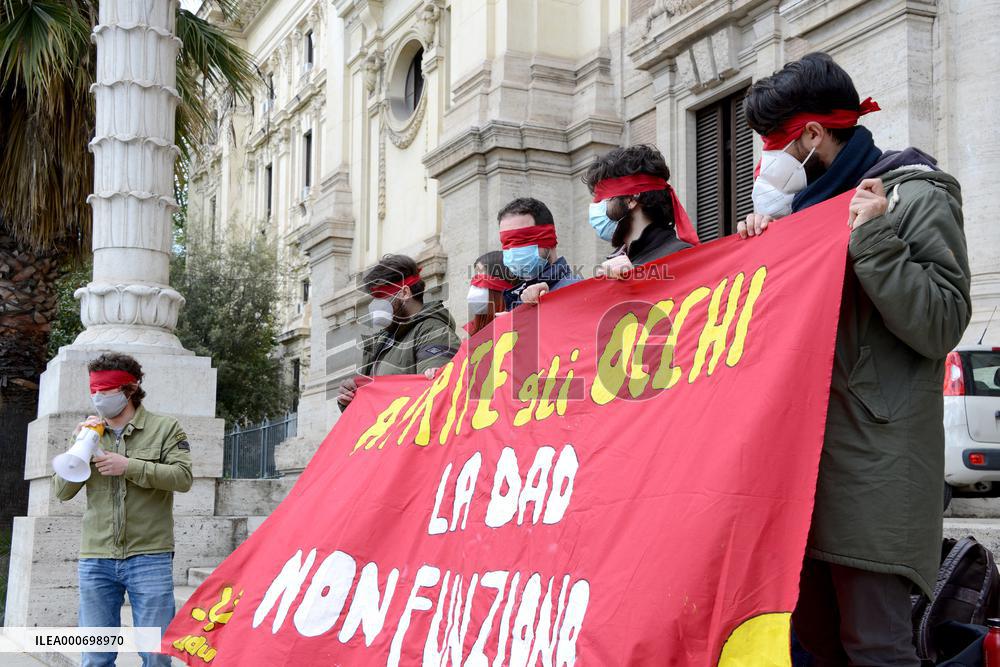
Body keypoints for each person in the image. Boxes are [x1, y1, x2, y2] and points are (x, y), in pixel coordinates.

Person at [740, 52, 971, 665]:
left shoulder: (914, 195)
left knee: (876, 649)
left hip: (874, 469)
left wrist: (873, 238)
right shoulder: (801, 211)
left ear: (813, 134)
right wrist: (757, 257)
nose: (765, 160)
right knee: (813, 645)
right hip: (800, 468)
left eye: (773, 142)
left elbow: (941, 321)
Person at [54, 353, 193, 667]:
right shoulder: (87, 434)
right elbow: (62, 492)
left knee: (156, 656)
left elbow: (183, 478)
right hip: (96, 558)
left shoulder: (165, 428)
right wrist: (81, 447)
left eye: (107, 391)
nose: (98, 398)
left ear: (130, 390)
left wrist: (129, 466)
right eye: (95, 391)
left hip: (150, 556)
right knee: (95, 657)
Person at [337, 254, 460, 408]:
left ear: (404, 293)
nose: (375, 304)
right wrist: (349, 398)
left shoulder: (434, 332)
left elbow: (436, 397)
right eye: (373, 298)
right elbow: (369, 406)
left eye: (381, 295)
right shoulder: (383, 340)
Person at [582, 144, 699, 278]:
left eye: (602, 198)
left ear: (631, 199)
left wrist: (637, 282)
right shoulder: (615, 264)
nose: (595, 206)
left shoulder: (682, 258)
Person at [498, 197, 577, 306]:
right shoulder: (518, 296)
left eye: (523, 240)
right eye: (506, 242)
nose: (513, 250)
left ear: (548, 239)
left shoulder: (575, 291)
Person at [465, 250, 517, 335]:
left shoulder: (521, 319)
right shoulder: (477, 326)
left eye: (481, 273)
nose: (475, 281)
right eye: (476, 275)